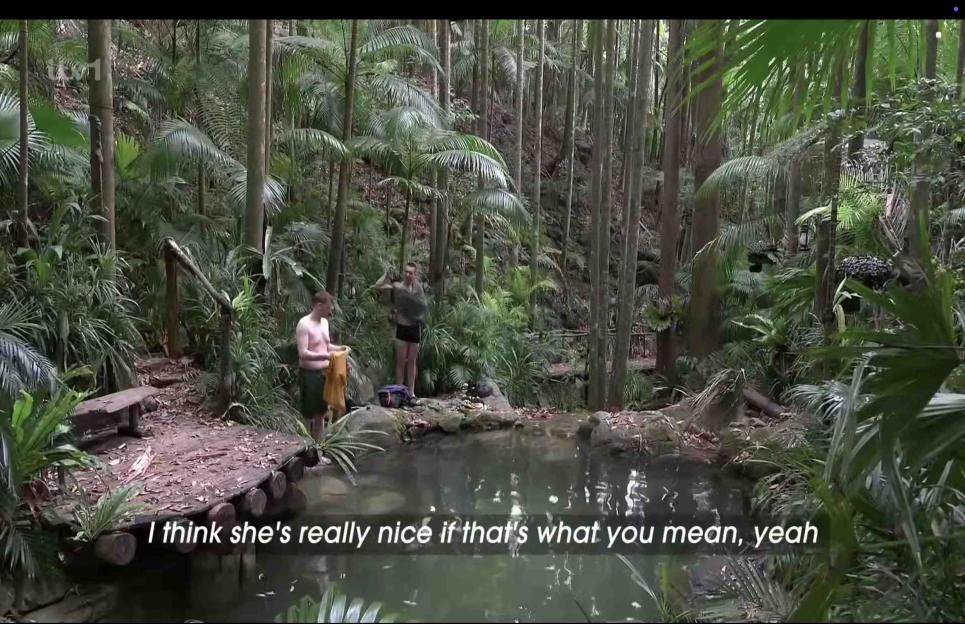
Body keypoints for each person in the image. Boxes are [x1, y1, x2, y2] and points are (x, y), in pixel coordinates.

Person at [295, 291, 346, 441]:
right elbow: (303, 353)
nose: (331, 311)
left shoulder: (325, 323)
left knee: (322, 413)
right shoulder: (304, 324)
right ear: (319, 306)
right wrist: (326, 356)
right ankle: (305, 448)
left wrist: (340, 349)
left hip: (325, 373)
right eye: (328, 307)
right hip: (310, 374)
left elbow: (325, 345)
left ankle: (319, 449)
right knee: (310, 414)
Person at [376, 262, 427, 398]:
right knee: (400, 361)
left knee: (412, 361)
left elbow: (422, 307)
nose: (408, 274)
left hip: (414, 328)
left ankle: (411, 391)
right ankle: (399, 390)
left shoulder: (418, 289)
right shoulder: (398, 287)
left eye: (411, 272)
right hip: (402, 328)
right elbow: (380, 287)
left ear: (415, 275)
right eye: (406, 271)